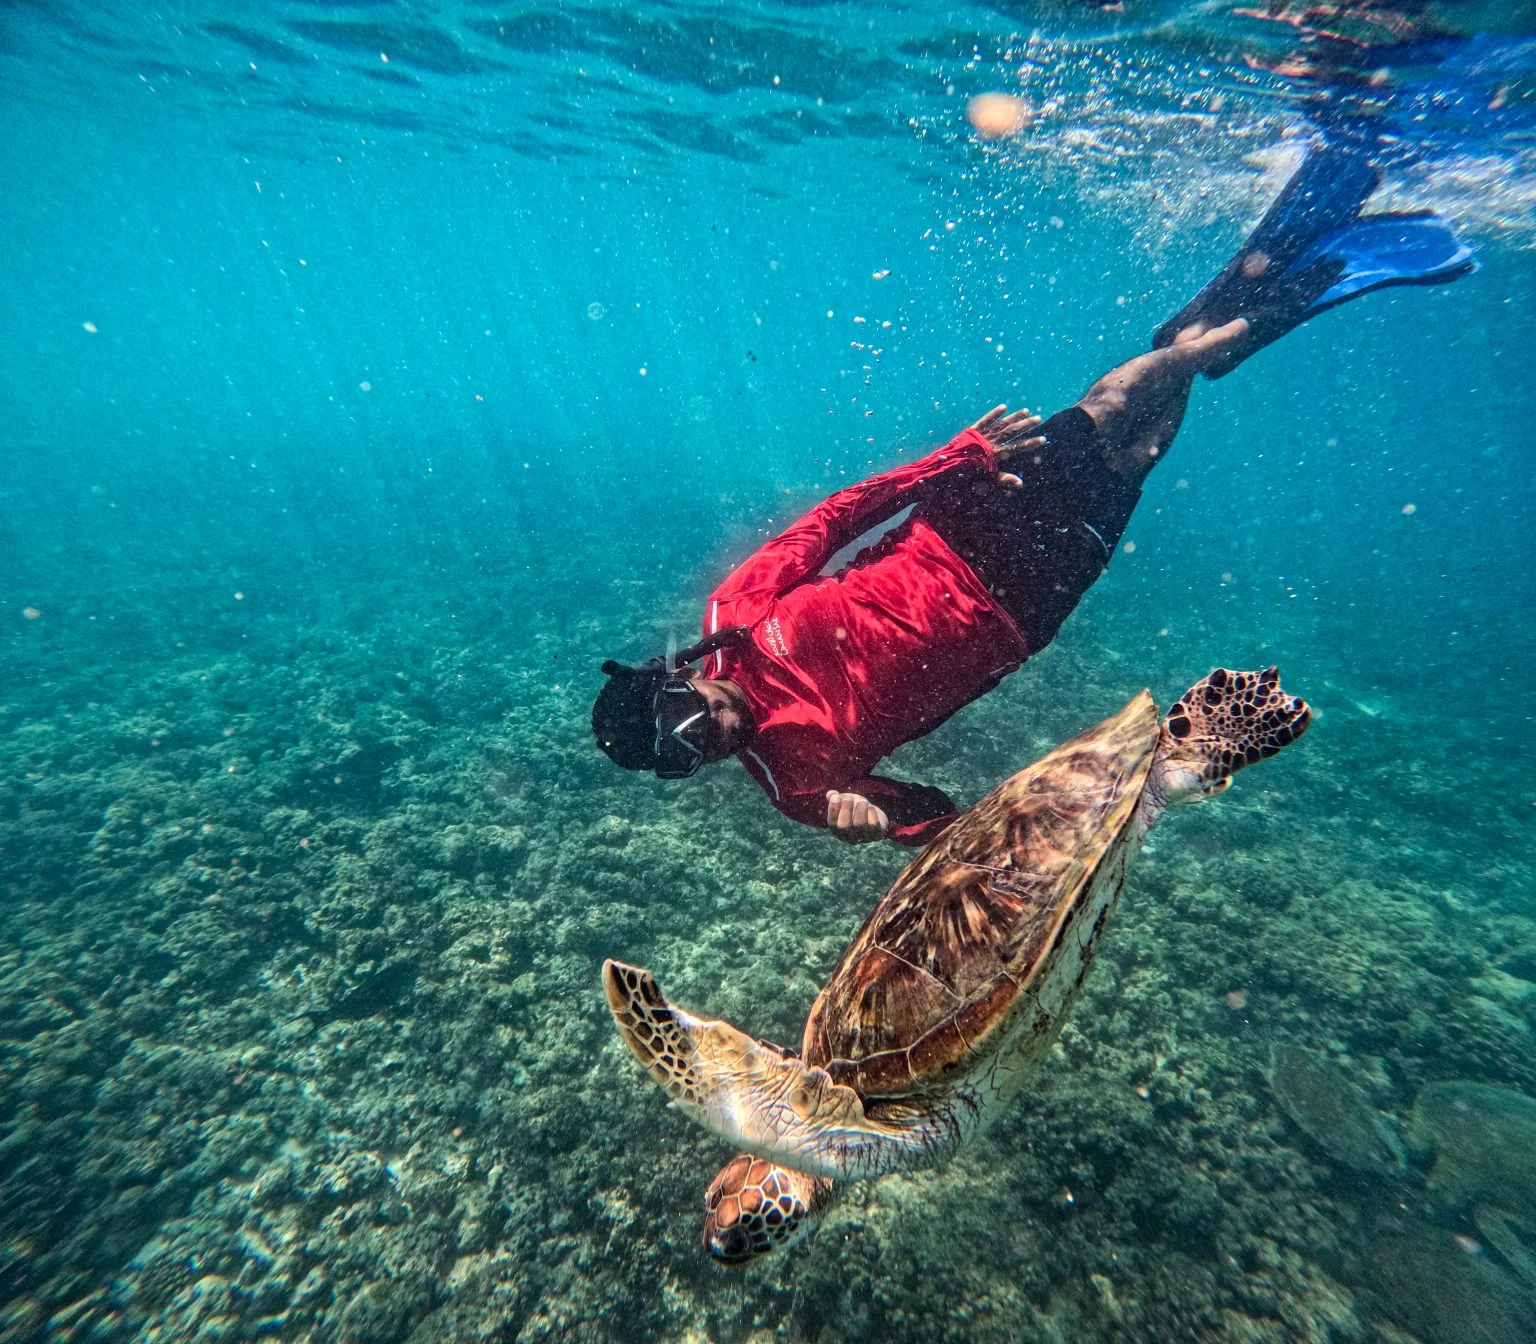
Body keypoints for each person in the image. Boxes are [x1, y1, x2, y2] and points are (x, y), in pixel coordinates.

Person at [592, 140, 1474, 846]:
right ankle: (1231, 316)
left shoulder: (733, 614)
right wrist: (880, 819)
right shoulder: (801, 783)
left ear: (673, 678)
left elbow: (835, 520)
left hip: (962, 526)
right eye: (689, 756)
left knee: (1117, 400)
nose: (708, 729)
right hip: (1021, 611)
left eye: (682, 714)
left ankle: (1279, 302)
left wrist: (953, 457)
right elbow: (944, 820)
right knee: (1145, 445)